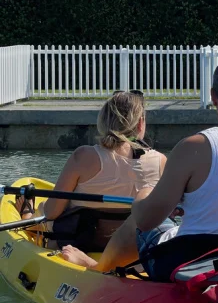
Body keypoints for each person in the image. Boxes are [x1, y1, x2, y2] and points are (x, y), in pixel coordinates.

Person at [63, 56, 218, 279]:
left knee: (140, 214)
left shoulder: (195, 147)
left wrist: (143, 196)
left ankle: (97, 268)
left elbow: (146, 221)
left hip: (196, 263)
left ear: (214, 96)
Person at [15, 90, 171, 252]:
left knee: (47, 208)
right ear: (140, 124)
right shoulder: (160, 162)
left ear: (104, 120)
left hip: (81, 246)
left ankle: (27, 217)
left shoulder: (84, 156)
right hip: (131, 251)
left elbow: (52, 213)